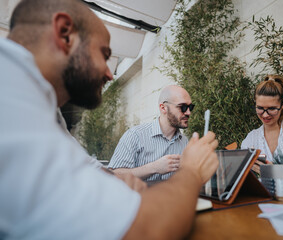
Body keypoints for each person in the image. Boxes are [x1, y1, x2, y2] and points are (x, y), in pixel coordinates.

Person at [0, 0, 219, 239]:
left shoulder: (42, 110)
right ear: (64, 33)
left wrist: (118, 181)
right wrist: (191, 171)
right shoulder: (12, 104)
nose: (109, 74)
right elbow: (147, 229)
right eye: (104, 54)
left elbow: (95, 171)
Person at [108, 85, 194, 182]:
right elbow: (114, 176)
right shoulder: (135, 135)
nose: (188, 112)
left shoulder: (185, 142)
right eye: (183, 107)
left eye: (190, 107)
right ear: (163, 108)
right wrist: (154, 167)